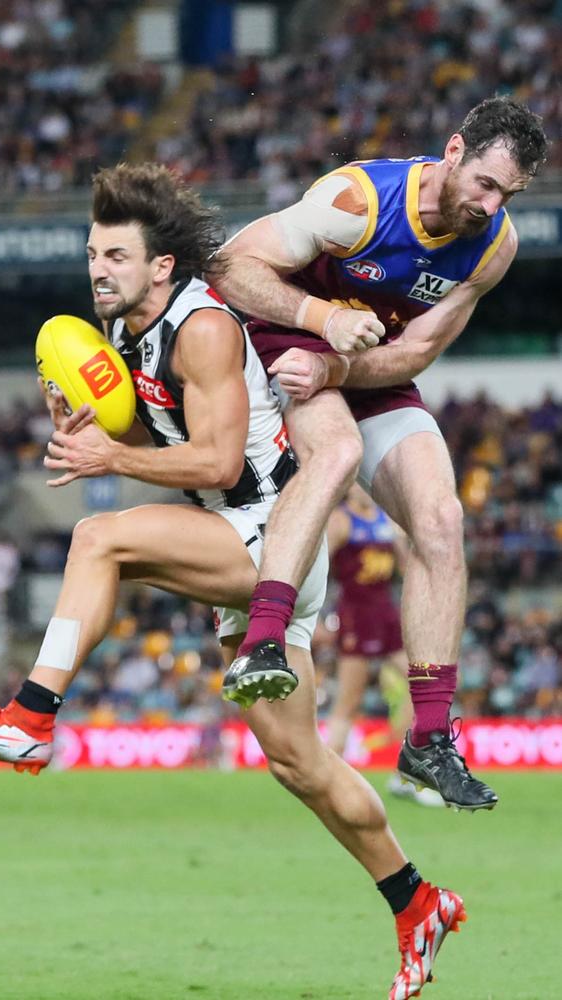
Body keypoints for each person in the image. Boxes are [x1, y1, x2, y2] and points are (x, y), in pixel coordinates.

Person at [0, 162, 465, 999]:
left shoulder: (201, 328)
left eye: (114, 255)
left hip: (266, 533)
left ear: (161, 267)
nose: (97, 268)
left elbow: (214, 459)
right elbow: (160, 425)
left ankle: (29, 718)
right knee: (300, 763)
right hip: (234, 535)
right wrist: (95, 419)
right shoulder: (133, 334)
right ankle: (416, 900)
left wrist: (114, 455)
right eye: (92, 253)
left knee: (100, 537)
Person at [214, 96, 548, 810]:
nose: (491, 206)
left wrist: (340, 364)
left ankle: (429, 738)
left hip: (365, 364)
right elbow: (230, 266)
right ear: (453, 151)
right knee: (333, 453)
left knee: (440, 518)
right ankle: (263, 643)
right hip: (290, 331)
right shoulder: (356, 200)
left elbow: (417, 350)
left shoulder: (494, 246)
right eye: (485, 185)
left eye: (508, 195)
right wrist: (322, 320)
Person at [326, 484, 443, 808]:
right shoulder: (341, 520)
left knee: (420, 685)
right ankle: (324, 781)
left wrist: (400, 540)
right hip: (356, 614)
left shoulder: (383, 520)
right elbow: (319, 564)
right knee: (348, 702)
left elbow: (404, 568)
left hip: (385, 612)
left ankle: (405, 775)